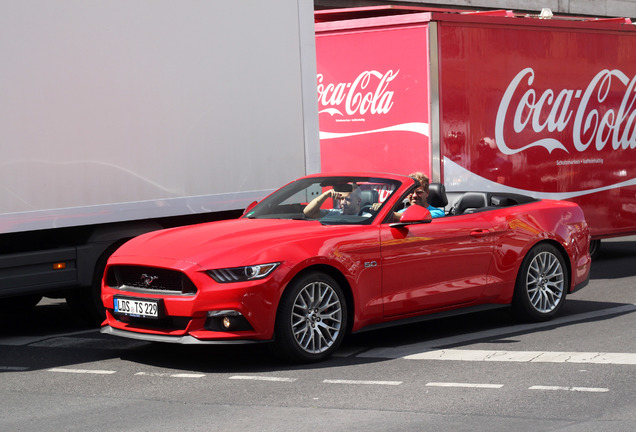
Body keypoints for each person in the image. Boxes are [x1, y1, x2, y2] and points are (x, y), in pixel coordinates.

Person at [303, 183, 369, 219]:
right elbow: (308, 213)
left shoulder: (366, 217)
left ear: (359, 201)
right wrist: (326, 194)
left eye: (348, 199)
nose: (343, 203)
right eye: (341, 199)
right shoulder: (333, 213)